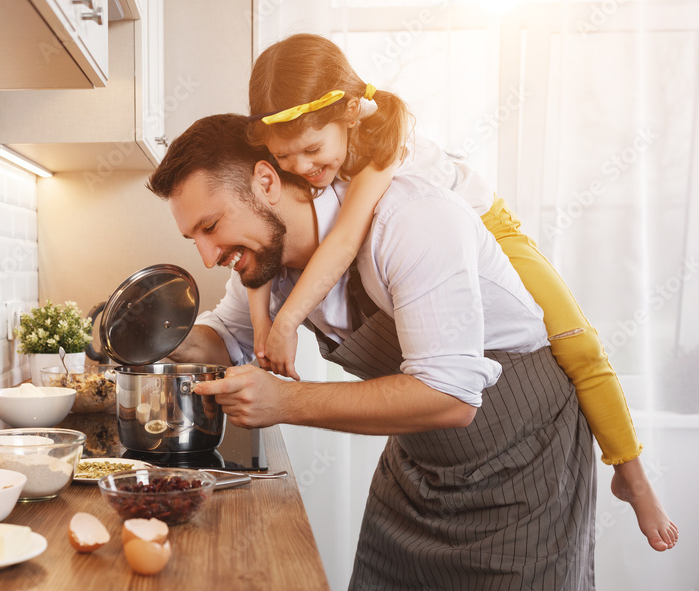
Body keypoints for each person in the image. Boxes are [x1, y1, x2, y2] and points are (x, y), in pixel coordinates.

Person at [147, 112, 597, 591]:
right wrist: (152, 333)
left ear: (265, 182)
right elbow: (225, 339)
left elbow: (449, 399)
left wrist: (286, 402)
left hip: (521, 461)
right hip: (420, 467)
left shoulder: (412, 220)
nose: (207, 256)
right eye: (193, 239)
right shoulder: (269, 264)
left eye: (211, 227)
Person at [243, 33, 677, 552]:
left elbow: (344, 238)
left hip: (488, 228)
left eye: (312, 150)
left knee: (577, 343)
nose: (301, 169)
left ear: (352, 111)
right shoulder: (311, 160)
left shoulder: (386, 139)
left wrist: (288, 321)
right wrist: (263, 323)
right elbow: (262, 232)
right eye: (284, 158)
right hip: (436, 256)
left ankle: (631, 473)